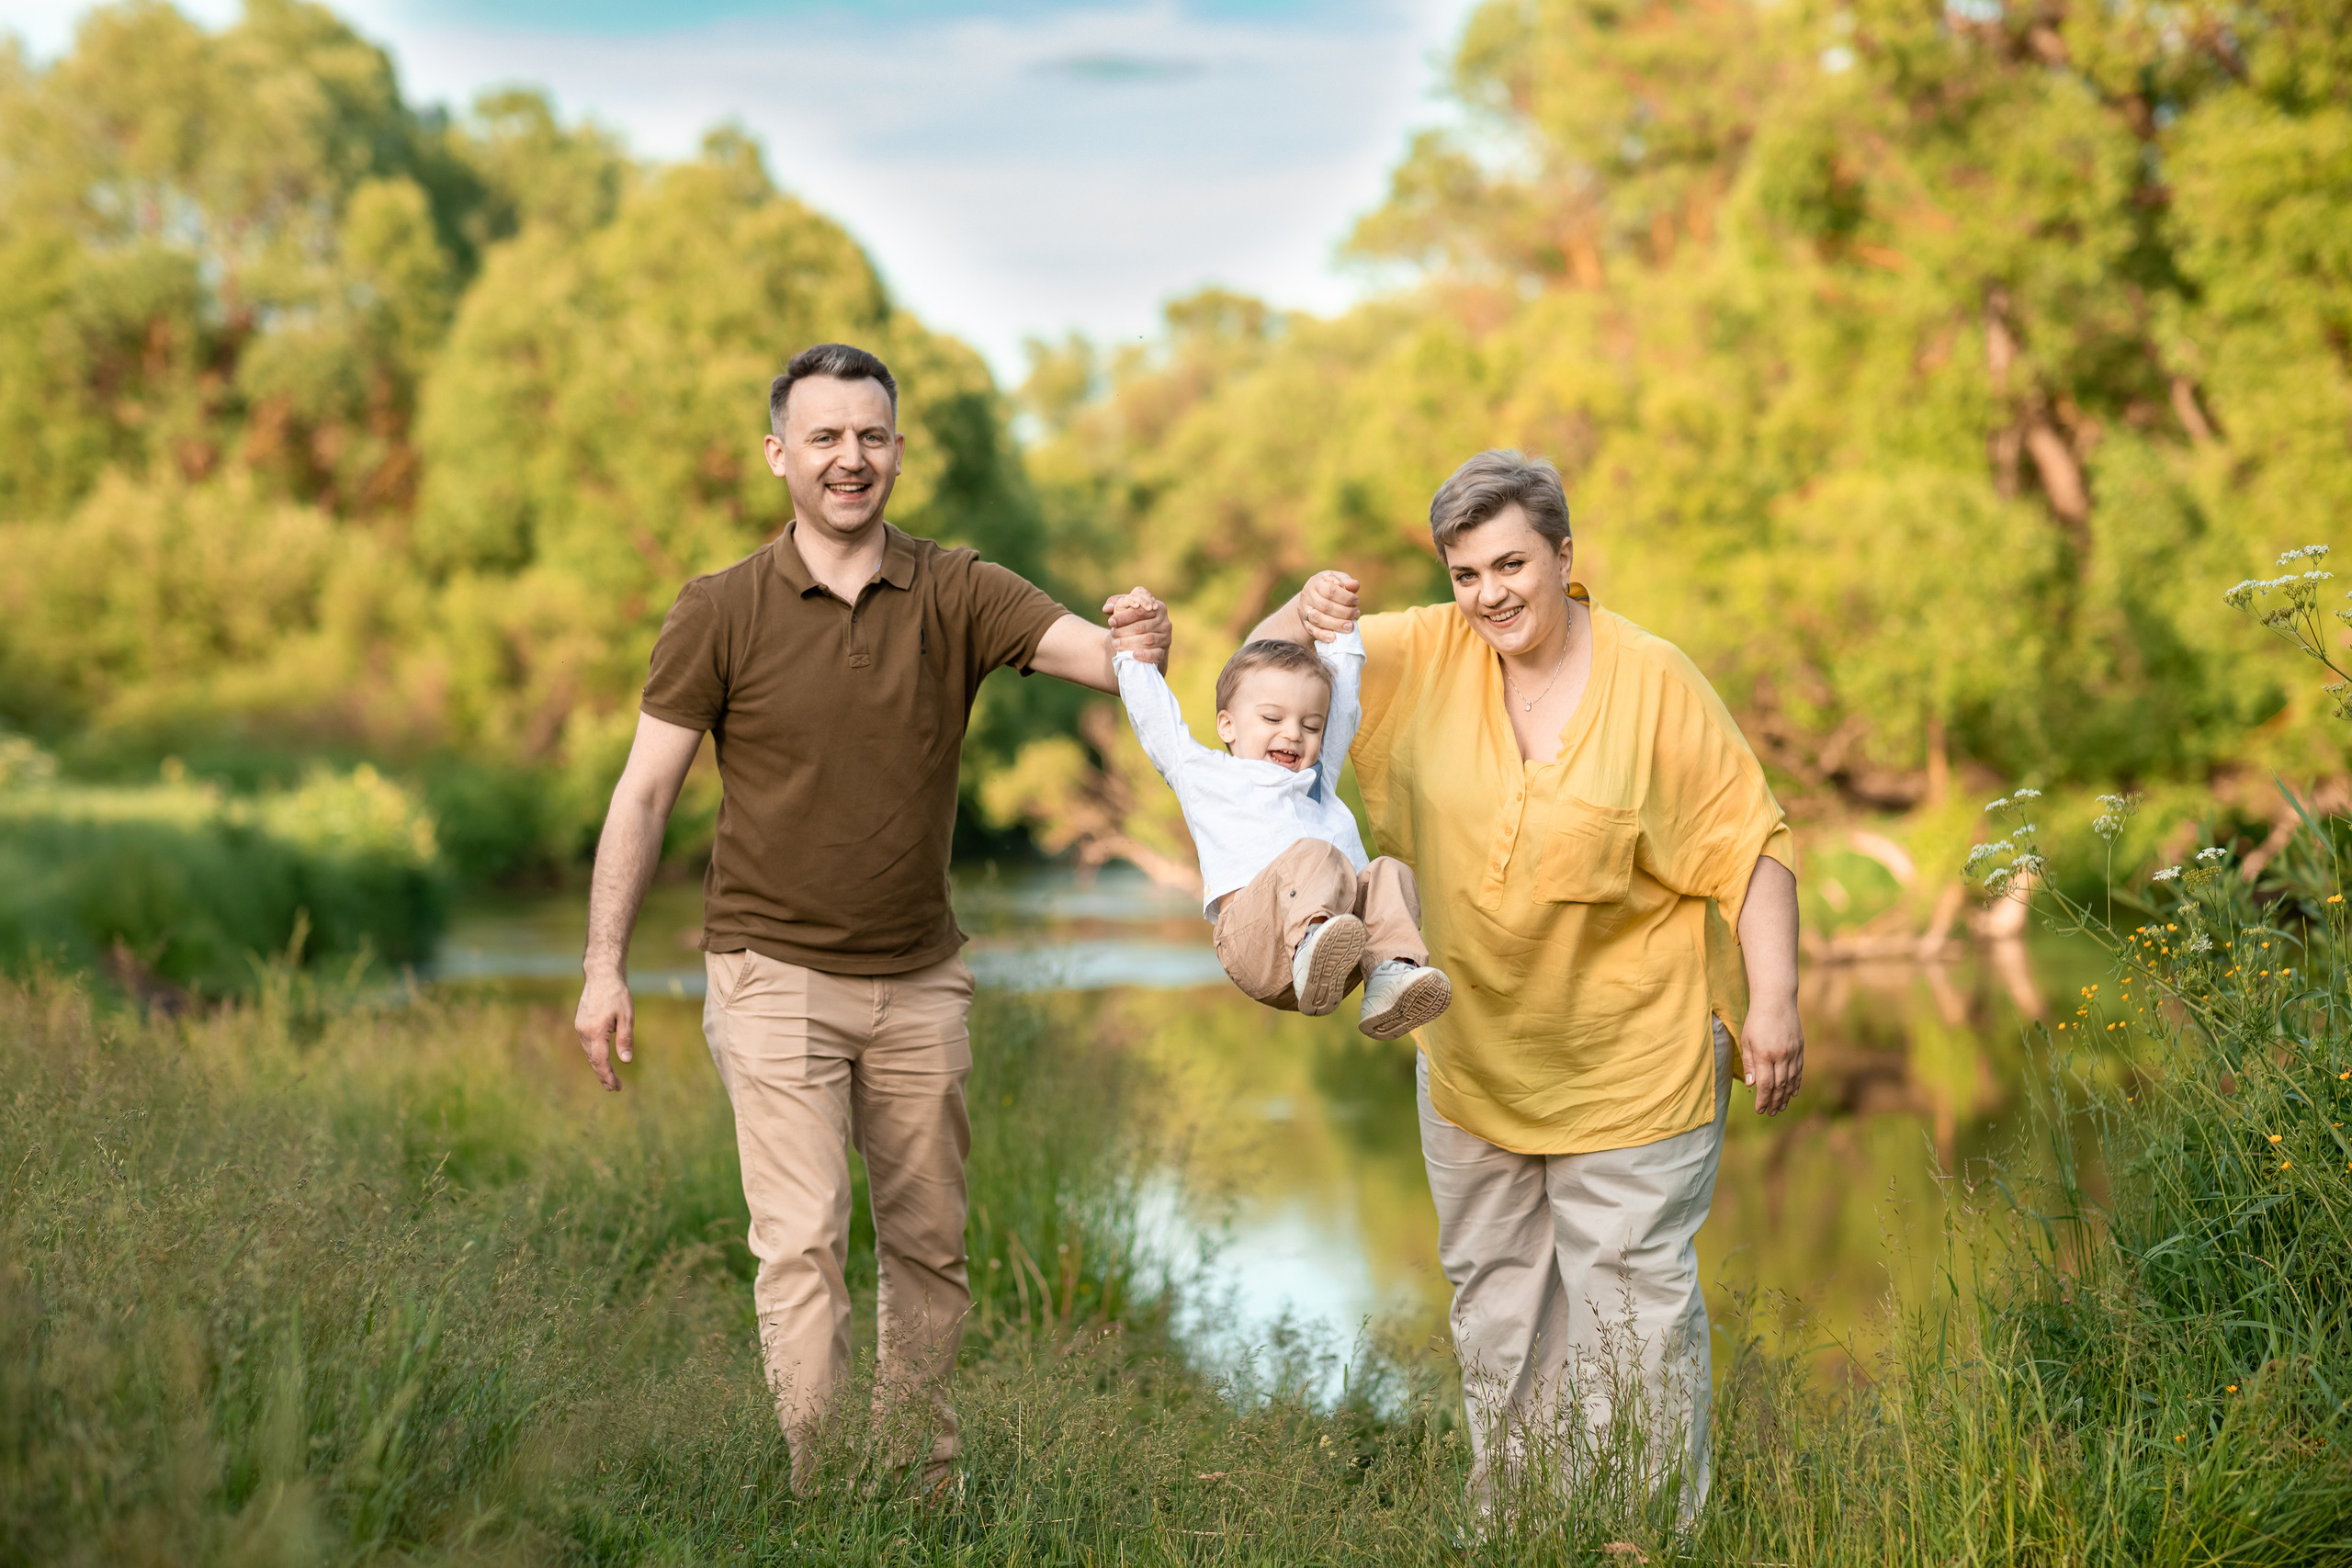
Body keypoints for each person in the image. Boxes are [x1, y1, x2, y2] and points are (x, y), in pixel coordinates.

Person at [569, 343, 1171, 1495]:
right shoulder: (718, 610)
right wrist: (604, 967)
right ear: (779, 454)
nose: (851, 458)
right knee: (801, 1244)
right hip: (770, 974)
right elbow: (642, 795)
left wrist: (1143, 637)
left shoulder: (959, 588)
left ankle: (918, 1489)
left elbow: (1109, 665)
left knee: (927, 1247)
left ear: (897, 450)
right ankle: (825, 1493)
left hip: (919, 980)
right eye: (827, 437)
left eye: (872, 436)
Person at [1248, 450, 1802, 1517]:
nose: (1490, 594)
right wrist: (1301, 609)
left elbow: (1750, 844)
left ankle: (1640, 1536)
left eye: (1510, 564)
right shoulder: (1416, 653)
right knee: (1499, 1312)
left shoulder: (1652, 681)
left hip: (1635, 1061)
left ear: (1562, 554)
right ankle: (1522, 1528)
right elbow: (1258, 691)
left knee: (1631, 1323)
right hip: (1470, 1059)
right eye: (1465, 573)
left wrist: (1773, 1003)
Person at [1108, 599, 1453, 1037]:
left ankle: (1389, 974)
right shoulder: (1206, 775)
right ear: (1227, 725)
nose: (1293, 733)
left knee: (1390, 871)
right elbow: (1156, 721)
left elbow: (1344, 710)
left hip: (1340, 957)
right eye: (1272, 718)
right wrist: (1131, 651)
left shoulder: (1315, 781)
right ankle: (1312, 942)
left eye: (1311, 726)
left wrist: (1340, 633)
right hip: (1257, 945)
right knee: (1314, 854)